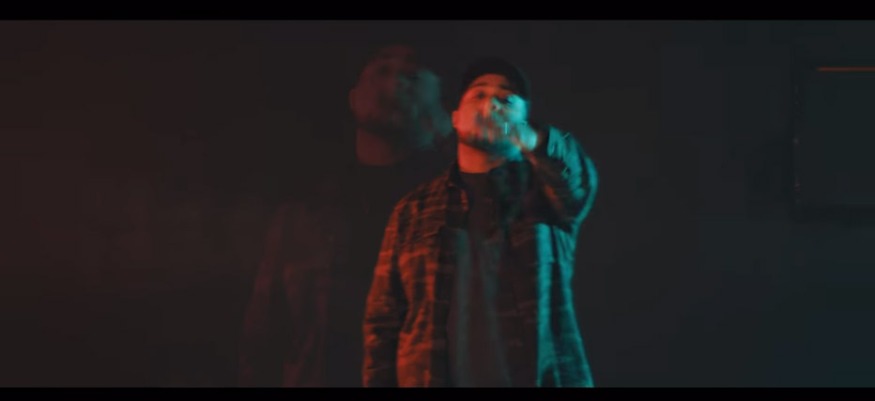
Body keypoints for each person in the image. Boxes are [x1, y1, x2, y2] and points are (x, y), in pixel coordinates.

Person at [362, 57, 599, 387]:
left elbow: (578, 178)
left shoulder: (544, 193)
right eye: (479, 94)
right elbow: (383, 321)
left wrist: (532, 139)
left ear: (525, 119)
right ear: (456, 118)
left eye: (506, 99)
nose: (491, 103)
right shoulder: (412, 210)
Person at [239, 44, 454, 387]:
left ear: (442, 112)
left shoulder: (459, 211)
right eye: (381, 71)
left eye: (411, 77)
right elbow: (262, 342)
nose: (393, 84)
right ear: (354, 98)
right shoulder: (303, 218)